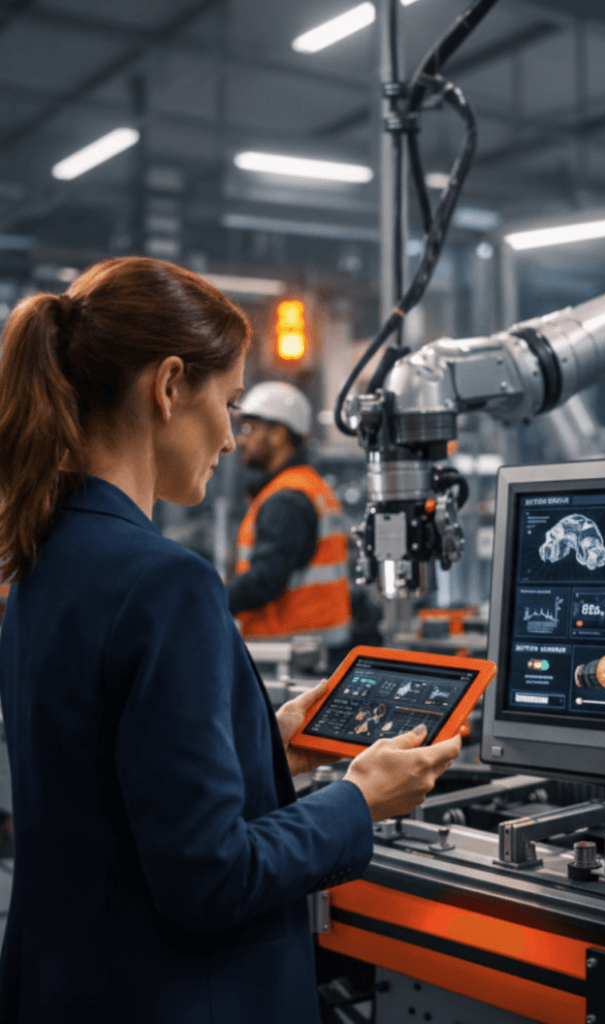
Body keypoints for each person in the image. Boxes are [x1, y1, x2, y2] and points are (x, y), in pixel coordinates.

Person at [0, 256, 461, 1024]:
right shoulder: (167, 583)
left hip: (66, 985)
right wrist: (359, 800)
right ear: (170, 385)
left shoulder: (40, 563)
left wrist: (263, 746)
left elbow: (106, 791)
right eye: (231, 402)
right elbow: (210, 877)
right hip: (177, 996)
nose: (229, 434)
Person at [226, 381, 353, 665]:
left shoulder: (287, 499)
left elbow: (265, 580)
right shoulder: (308, 486)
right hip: (314, 652)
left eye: (249, 428)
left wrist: (210, 599)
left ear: (279, 433)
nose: (240, 440)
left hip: (291, 658)